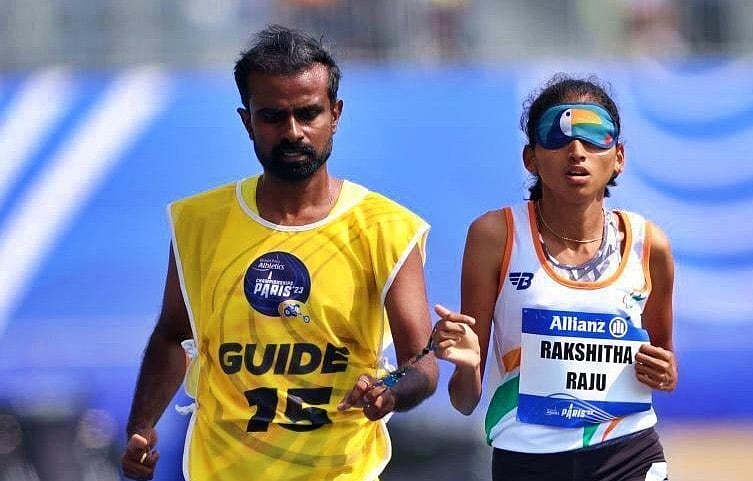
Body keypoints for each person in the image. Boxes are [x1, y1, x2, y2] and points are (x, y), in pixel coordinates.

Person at [121, 25, 438, 481]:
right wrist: (141, 428)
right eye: (272, 117)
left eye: (309, 113)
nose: (293, 132)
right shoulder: (198, 222)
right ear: (247, 120)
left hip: (340, 472)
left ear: (336, 114)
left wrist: (388, 391)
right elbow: (174, 336)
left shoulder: (387, 228)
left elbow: (420, 362)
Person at [432, 74, 677, 481]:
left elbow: (665, 368)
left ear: (618, 156)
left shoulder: (650, 245)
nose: (577, 151)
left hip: (628, 454)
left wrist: (665, 373)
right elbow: (464, 400)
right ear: (530, 158)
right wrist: (464, 366)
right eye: (557, 137)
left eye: (594, 135)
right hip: (527, 459)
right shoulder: (496, 235)